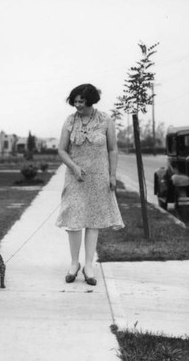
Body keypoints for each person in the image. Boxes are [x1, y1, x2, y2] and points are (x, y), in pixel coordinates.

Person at [56, 83, 124, 286]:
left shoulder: (105, 120)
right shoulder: (70, 121)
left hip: (98, 178)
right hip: (76, 178)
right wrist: (74, 167)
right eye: (75, 101)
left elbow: (112, 149)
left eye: (81, 102)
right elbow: (61, 150)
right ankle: (74, 264)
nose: (77, 105)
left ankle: (89, 266)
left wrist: (112, 175)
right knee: (74, 221)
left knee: (93, 222)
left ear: (91, 101)